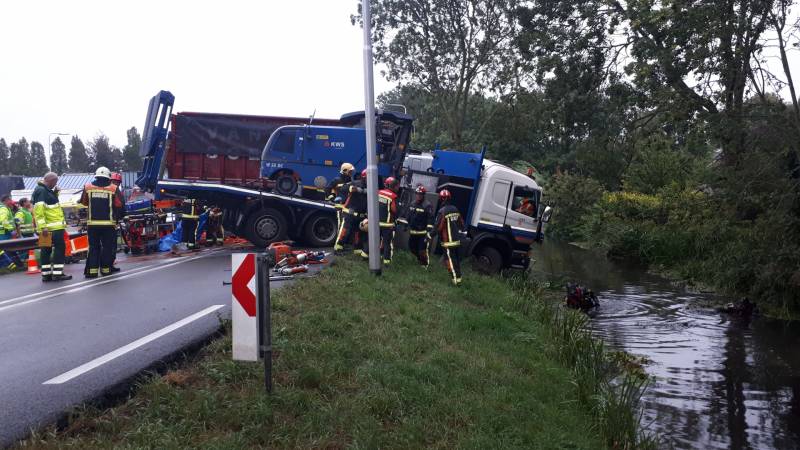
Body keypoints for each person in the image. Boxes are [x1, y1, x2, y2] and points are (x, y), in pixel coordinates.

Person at [80, 167, 124, 278]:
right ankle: (106, 270)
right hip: (108, 224)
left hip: (92, 224)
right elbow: (119, 205)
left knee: (94, 247)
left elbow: (84, 202)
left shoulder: (88, 187)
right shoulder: (113, 188)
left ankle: (92, 272)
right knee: (107, 247)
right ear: (109, 176)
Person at [33, 172, 72, 281]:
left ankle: (46, 275)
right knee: (60, 249)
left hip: (46, 228)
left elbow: (50, 204)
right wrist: (43, 226)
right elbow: (39, 210)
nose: (55, 184)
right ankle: (57, 274)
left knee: (45, 250)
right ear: (51, 181)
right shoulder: (41, 190)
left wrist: (55, 193)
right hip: (53, 228)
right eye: (55, 182)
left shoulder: (43, 190)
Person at [433, 189, 464, 286]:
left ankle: (455, 280)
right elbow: (461, 224)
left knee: (450, 260)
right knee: (456, 260)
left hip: (448, 242)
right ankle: (458, 278)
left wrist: (430, 235)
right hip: (456, 241)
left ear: (441, 199)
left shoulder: (442, 211)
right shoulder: (455, 209)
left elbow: (439, 227)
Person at [398, 185, 434, 267]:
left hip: (422, 233)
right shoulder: (412, 204)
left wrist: (429, 230)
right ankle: (420, 259)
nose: (418, 195)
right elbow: (408, 216)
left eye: (420, 194)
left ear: (423, 195)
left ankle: (424, 264)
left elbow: (430, 218)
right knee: (412, 248)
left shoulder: (427, 205)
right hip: (413, 231)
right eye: (417, 194)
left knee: (422, 249)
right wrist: (405, 226)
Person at [336, 169, 367, 255]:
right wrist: (353, 189)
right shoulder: (355, 183)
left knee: (358, 233)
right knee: (345, 231)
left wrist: (364, 191)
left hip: (361, 215)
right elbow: (344, 188)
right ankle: (338, 248)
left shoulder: (372, 187)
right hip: (349, 213)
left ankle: (357, 249)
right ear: (364, 177)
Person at [328, 162, 354, 250]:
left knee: (346, 226)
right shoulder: (337, 180)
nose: (351, 173)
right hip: (339, 206)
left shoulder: (350, 180)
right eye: (350, 172)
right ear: (345, 171)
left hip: (347, 206)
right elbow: (327, 189)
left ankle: (344, 243)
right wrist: (332, 198)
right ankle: (338, 245)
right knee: (341, 225)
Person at [376, 176, 399, 264]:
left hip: (376, 222)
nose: (398, 188)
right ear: (394, 186)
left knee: (375, 240)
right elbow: (394, 210)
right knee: (387, 243)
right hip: (387, 224)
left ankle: (367, 256)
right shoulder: (393, 196)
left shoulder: (379, 192)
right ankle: (386, 262)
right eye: (397, 187)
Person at [109, 172, 126, 272]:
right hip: (112, 221)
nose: (116, 184)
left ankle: (107, 264)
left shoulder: (104, 189)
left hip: (106, 221)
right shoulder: (116, 191)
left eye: (117, 182)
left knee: (107, 244)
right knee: (111, 244)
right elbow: (121, 206)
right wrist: (122, 216)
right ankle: (109, 264)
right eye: (115, 182)